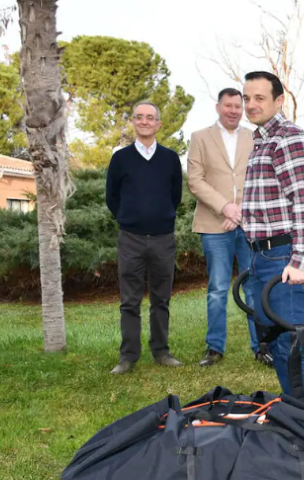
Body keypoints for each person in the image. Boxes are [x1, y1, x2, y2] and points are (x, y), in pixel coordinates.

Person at [241, 71, 304, 402]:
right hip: (262, 256)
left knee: (289, 340)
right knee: (275, 338)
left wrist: (301, 260)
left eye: (260, 98)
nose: (251, 104)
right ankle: (295, 409)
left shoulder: (290, 139)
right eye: (247, 98)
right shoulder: (262, 141)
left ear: (278, 100)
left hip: (283, 257)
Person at [187, 87, 273, 368]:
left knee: (254, 286)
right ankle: (214, 348)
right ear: (218, 107)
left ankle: (261, 345)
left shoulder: (255, 137)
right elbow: (195, 180)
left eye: (239, 105)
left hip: (250, 225)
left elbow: (264, 178)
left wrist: (241, 213)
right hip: (215, 224)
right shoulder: (200, 137)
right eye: (229, 105)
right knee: (218, 287)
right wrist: (224, 207)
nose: (234, 110)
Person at [105, 102, 184, 375]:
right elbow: (111, 197)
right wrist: (129, 218)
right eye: (139, 117)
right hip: (131, 239)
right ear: (133, 123)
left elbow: (176, 196)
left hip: (163, 238)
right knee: (130, 301)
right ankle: (128, 356)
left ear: (159, 124)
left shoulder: (171, 158)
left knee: (161, 299)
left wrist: (161, 217)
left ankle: (161, 351)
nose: (145, 121)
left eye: (150, 118)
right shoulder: (120, 159)